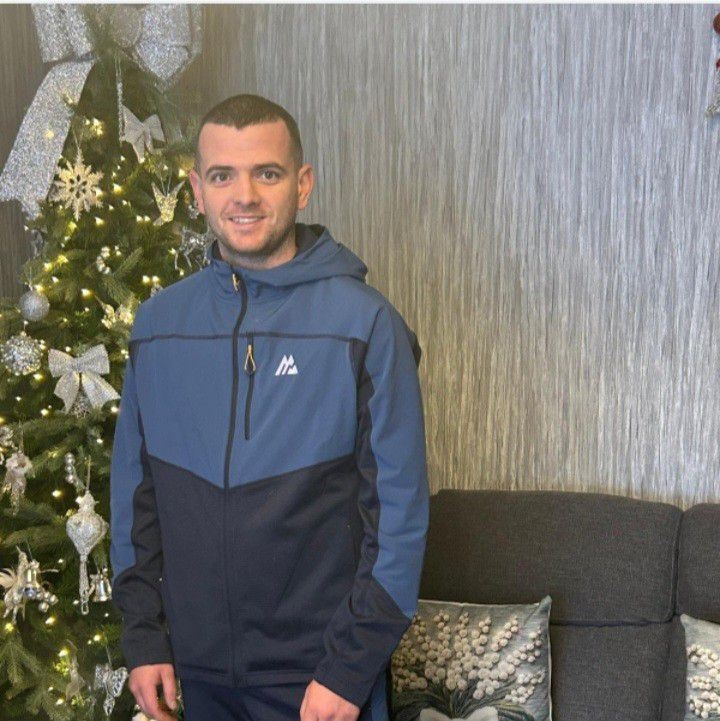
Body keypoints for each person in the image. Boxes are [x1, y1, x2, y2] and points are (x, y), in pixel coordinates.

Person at [109, 94, 429, 721]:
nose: (245, 196)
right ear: (197, 191)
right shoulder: (158, 326)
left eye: (267, 173)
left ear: (302, 184)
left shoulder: (366, 325)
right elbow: (134, 499)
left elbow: (399, 520)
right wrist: (144, 640)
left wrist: (348, 672)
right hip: (195, 677)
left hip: (319, 683)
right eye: (222, 175)